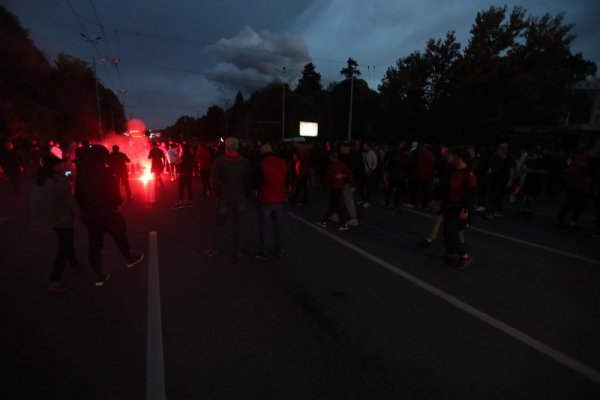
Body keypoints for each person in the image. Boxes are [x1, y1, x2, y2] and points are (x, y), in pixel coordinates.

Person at [75, 145, 144, 286]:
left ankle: (98, 275)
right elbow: (114, 194)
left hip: (91, 216)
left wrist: (83, 213)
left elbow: (77, 196)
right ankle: (129, 258)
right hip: (107, 213)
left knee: (94, 245)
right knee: (120, 234)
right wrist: (117, 203)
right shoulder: (107, 172)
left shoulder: (82, 173)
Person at [29, 155, 80, 293]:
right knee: (64, 247)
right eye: (59, 164)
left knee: (66, 241)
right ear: (54, 166)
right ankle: (54, 280)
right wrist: (81, 215)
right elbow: (70, 202)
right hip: (61, 218)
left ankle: (74, 264)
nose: (62, 166)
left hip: (46, 218)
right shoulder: (60, 180)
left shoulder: (39, 179)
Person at [204, 137, 251, 257]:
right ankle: (238, 251)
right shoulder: (244, 161)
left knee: (220, 224)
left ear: (227, 147)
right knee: (239, 224)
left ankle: (216, 249)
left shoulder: (220, 160)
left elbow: (213, 178)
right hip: (240, 196)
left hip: (224, 196)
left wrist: (215, 193)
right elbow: (249, 179)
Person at [442, 147, 477, 269]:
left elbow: (471, 193)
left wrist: (466, 210)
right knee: (446, 231)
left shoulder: (468, 173)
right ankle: (450, 256)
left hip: (460, 207)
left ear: (459, 158)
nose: (450, 157)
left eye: (453, 155)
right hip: (451, 204)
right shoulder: (455, 171)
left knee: (452, 232)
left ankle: (465, 255)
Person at [253, 144, 288, 261]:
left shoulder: (262, 164)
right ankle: (280, 248)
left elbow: (257, 182)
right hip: (279, 198)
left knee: (264, 227)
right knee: (278, 225)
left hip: (265, 199)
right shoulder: (282, 163)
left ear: (263, 152)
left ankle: (263, 251)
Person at [316, 151, 355, 231]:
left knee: (335, 205)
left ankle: (343, 224)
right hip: (339, 187)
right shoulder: (342, 164)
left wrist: (323, 184)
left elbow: (328, 178)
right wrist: (350, 183)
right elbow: (349, 173)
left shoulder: (332, 166)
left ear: (332, 157)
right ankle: (323, 220)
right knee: (332, 204)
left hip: (333, 187)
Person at [555, 147, 593, 229]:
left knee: (575, 204)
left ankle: (568, 220)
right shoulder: (581, 160)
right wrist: (584, 180)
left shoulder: (584, 160)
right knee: (573, 204)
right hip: (576, 186)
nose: (592, 153)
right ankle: (564, 220)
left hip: (578, 186)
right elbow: (572, 173)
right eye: (591, 151)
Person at [485, 143, 516, 220]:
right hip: (495, 179)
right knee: (496, 196)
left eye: (499, 150)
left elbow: (511, 171)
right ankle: (499, 210)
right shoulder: (497, 158)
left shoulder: (509, 160)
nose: (497, 151)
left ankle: (490, 212)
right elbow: (493, 167)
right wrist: (490, 170)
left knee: (495, 196)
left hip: (502, 181)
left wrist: (510, 181)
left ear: (503, 151)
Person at [521, 145, 547, 213]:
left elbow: (543, 171)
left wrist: (531, 170)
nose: (529, 154)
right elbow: (524, 167)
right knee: (527, 194)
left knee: (531, 195)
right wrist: (524, 168)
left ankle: (530, 208)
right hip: (528, 178)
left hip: (536, 180)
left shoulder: (541, 160)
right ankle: (527, 208)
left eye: (530, 153)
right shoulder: (529, 159)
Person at [173, 143, 194, 209]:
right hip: (189, 173)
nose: (181, 149)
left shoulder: (184, 155)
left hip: (183, 174)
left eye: (181, 148)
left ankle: (180, 203)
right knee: (189, 188)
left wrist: (177, 157)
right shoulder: (191, 155)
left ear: (184, 148)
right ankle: (190, 202)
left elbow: (178, 162)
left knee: (181, 188)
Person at [358, 142, 377, 208]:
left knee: (368, 187)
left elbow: (374, 164)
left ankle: (368, 201)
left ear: (369, 146)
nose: (364, 147)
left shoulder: (372, 153)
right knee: (361, 186)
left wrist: (370, 171)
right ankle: (363, 199)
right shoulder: (363, 153)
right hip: (363, 172)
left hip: (369, 173)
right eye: (363, 146)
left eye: (365, 146)